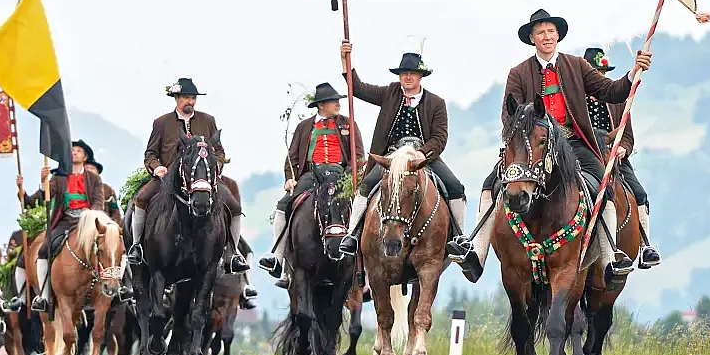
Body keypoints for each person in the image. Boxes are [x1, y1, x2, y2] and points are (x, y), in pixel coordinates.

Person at [446, 9, 653, 285]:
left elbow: (610, 91)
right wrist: (529, 130)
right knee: (490, 185)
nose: (547, 37)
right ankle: (477, 253)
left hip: (574, 144)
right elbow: (508, 115)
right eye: (541, 32)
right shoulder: (518, 73)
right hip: (532, 146)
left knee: (604, 187)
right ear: (532, 38)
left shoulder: (577, 65)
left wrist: (633, 73)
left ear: (558, 36)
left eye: (551, 32)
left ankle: (609, 260)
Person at [336, 44, 468, 256]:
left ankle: (460, 237)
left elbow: (440, 138)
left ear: (420, 76)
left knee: (454, 186)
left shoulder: (436, 103)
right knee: (367, 185)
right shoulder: (390, 92)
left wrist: (422, 153)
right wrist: (345, 61)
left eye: (412, 73)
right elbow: (358, 88)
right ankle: (352, 234)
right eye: (404, 73)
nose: (407, 77)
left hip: (421, 156)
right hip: (392, 156)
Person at [128, 78, 252, 281]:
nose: (191, 101)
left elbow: (219, 150)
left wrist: (216, 165)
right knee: (141, 199)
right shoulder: (161, 123)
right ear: (176, 98)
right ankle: (137, 246)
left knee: (234, 207)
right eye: (186, 97)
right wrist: (157, 167)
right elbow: (150, 153)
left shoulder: (208, 120)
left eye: (193, 98)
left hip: (204, 179)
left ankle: (233, 253)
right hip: (169, 178)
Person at [259, 82, 365, 287]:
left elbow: (358, 156)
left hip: (341, 175)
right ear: (321, 105)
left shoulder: (348, 124)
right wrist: (290, 178)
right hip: (311, 175)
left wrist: (351, 176)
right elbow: (291, 158)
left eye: (338, 101)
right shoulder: (304, 127)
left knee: (362, 208)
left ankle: (364, 268)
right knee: (283, 205)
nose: (338, 104)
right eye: (333, 101)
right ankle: (278, 259)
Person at [582, 47, 661, 268]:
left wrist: (623, 149)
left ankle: (645, 246)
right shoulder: (576, 100)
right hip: (584, 157)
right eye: (596, 73)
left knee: (639, 193)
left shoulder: (617, 99)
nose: (600, 76)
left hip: (614, 158)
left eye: (602, 72)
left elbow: (627, 136)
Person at [28, 140, 111, 313]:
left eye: (78, 150)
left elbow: (98, 202)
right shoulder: (58, 178)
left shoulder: (95, 179)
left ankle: (119, 285)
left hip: (88, 222)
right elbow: (46, 196)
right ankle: (44, 296)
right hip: (65, 220)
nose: (74, 153)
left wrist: (90, 216)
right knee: (44, 249)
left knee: (112, 244)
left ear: (85, 157)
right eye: (72, 150)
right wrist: (43, 182)